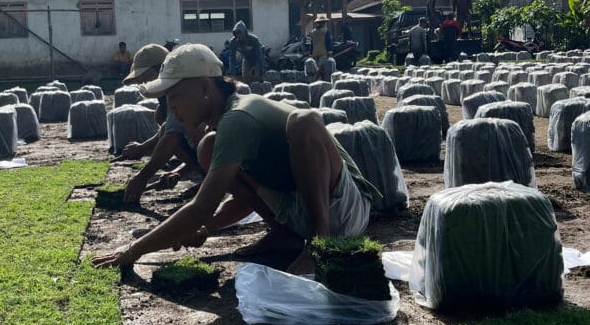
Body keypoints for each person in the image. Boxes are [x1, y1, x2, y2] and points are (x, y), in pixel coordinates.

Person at [92, 43, 380, 276]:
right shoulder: (224, 127)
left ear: (205, 88)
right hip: (296, 213)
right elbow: (244, 197)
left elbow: (201, 207)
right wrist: (208, 229)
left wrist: (134, 250)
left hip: (343, 209)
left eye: (175, 95)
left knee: (304, 121)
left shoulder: (239, 116)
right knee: (208, 147)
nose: (172, 108)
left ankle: (319, 244)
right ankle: (285, 234)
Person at [116, 45, 202, 203]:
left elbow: (172, 138)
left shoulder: (180, 91)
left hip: (218, 151)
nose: (142, 82)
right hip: (202, 152)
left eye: (145, 76)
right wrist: (177, 171)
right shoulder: (164, 99)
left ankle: (211, 178)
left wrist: (142, 178)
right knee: (160, 117)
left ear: (161, 69)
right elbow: (167, 129)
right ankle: (201, 171)